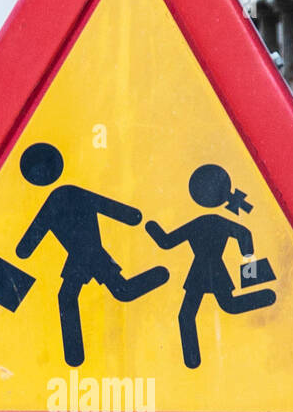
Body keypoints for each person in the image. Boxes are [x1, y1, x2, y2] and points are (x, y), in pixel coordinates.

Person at [15, 142, 169, 367]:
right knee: (78, 295)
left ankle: (161, 274)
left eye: (40, 170)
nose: (39, 174)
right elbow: (28, 243)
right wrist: (131, 216)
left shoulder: (64, 196)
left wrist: (131, 216)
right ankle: (74, 357)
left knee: (115, 292)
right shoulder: (58, 199)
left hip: (91, 253)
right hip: (80, 256)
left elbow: (106, 206)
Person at [145, 163, 276, 369]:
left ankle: (192, 360)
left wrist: (152, 228)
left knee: (188, 315)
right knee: (222, 307)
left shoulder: (200, 223)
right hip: (211, 271)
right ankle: (266, 296)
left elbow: (166, 241)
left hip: (204, 271)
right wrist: (248, 258)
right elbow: (244, 234)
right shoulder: (218, 222)